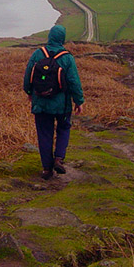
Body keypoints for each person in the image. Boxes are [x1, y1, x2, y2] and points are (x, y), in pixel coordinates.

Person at [23, 24, 84, 180]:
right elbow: (73, 81)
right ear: (62, 38)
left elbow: (28, 77)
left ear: (49, 37)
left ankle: (46, 169)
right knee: (64, 128)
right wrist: (79, 101)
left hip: (41, 103)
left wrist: (29, 93)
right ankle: (58, 158)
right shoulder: (67, 57)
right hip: (62, 105)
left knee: (44, 134)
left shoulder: (38, 54)